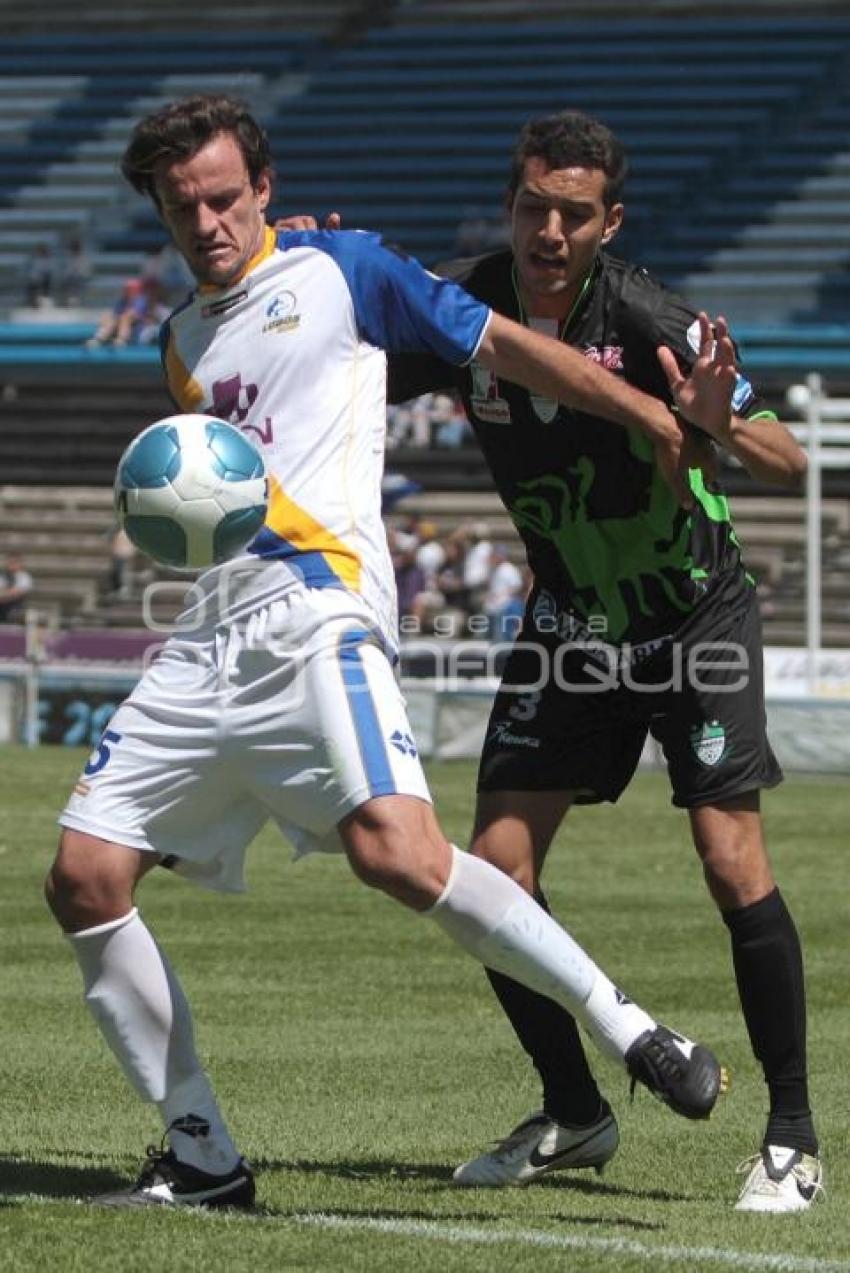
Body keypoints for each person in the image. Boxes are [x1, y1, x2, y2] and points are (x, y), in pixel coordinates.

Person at [45, 94, 733, 1213]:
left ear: (262, 190)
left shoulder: (345, 270)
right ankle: (204, 1158)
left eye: (225, 198)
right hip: (210, 627)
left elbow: (508, 347)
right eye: (184, 209)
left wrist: (646, 418)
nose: (208, 221)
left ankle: (631, 1029)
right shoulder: (179, 342)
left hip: (318, 612)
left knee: (400, 854)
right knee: (84, 876)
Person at [374, 109, 817, 1214]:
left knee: (728, 859)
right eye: (534, 207)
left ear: (607, 223)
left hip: (691, 614)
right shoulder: (462, 307)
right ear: (512, 208)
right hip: (572, 624)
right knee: (487, 873)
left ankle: (793, 1138)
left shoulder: (647, 316)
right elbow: (340, 348)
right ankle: (575, 1110)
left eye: (575, 214)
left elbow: (783, 456)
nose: (550, 231)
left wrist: (716, 420)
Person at [0, 554, 33, 622]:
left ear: (20, 564)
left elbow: (18, 592)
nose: (12, 565)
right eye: (10, 562)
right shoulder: (2, 576)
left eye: (15, 562)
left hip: (16, 605)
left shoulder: (24, 577)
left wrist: (6, 594)